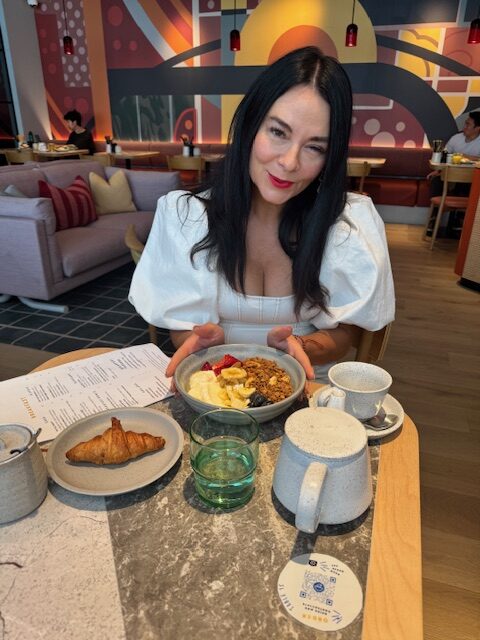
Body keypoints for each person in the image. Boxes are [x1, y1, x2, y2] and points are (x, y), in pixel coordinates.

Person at [129, 47, 395, 381]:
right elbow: (181, 328)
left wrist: (302, 346)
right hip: (216, 383)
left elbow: (346, 334)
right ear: (251, 125)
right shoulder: (189, 217)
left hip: (307, 385)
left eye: (315, 147)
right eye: (278, 132)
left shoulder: (344, 227)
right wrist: (200, 341)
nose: (290, 162)